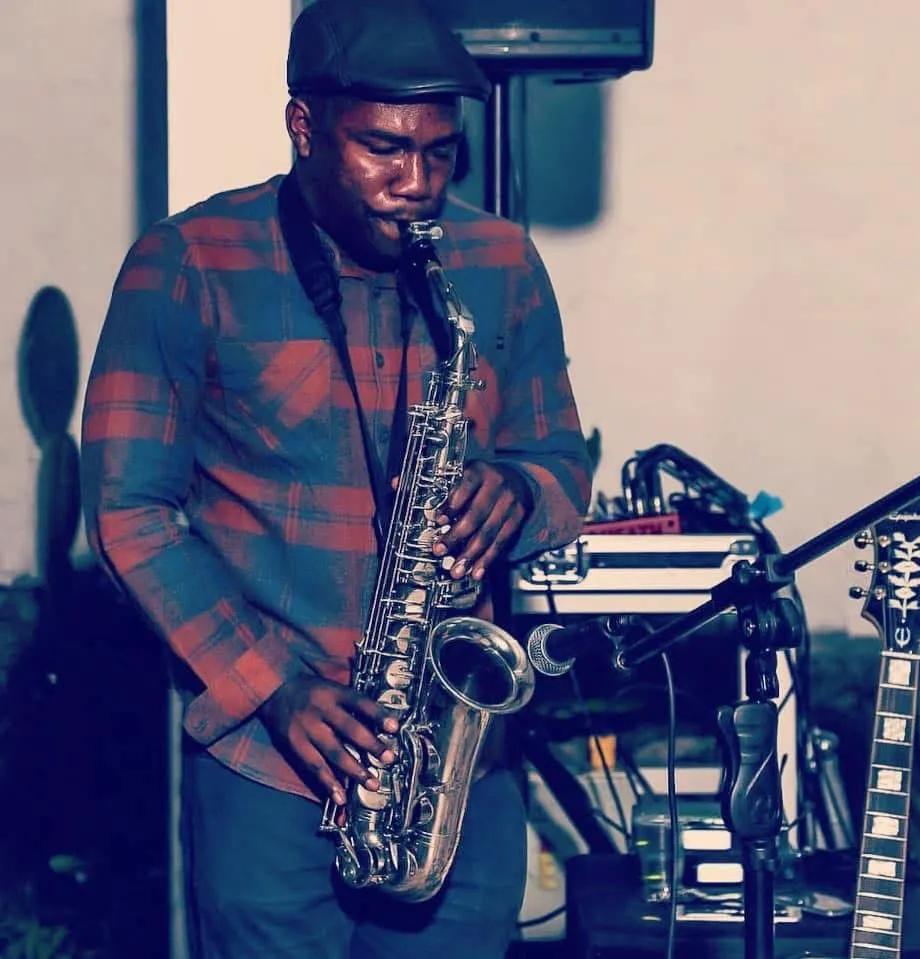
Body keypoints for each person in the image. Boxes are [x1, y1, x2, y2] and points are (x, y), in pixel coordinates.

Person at [80, 1, 592, 957]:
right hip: (272, 757)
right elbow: (127, 511)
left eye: (441, 153)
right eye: (383, 150)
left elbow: (563, 462)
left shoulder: (499, 259)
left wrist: (518, 493)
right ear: (303, 127)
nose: (416, 184)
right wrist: (269, 684)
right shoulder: (189, 261)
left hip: (452, 765)